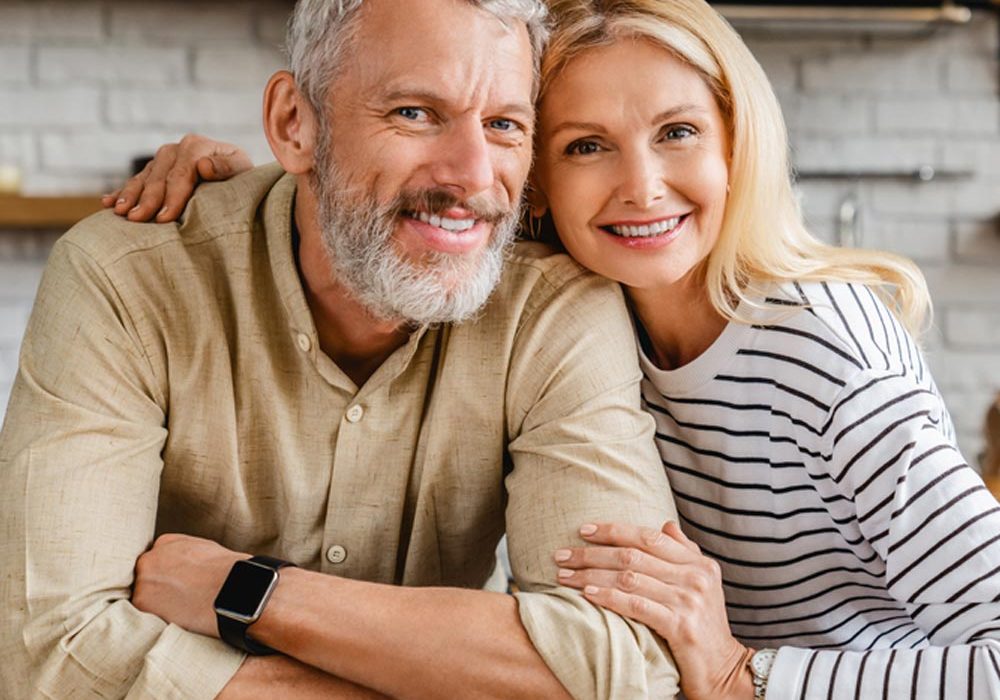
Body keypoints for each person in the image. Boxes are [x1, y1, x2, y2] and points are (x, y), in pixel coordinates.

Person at [125, 0, 1000, 697]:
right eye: (587, 146)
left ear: (740, 140)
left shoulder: (825, 353)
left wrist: (752, 675)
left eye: (679, 132)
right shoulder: (581, 305)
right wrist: (235, 187)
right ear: (536, 177)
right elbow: (395, 177)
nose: (641, 185)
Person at [0, 1, 685, 698]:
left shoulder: (554, 307)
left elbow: (628, 666)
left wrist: (252, 593)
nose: (474, 177)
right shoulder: (127, 278)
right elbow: (50, 655)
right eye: (415, 113)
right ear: (294, 125)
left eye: (504, 125)